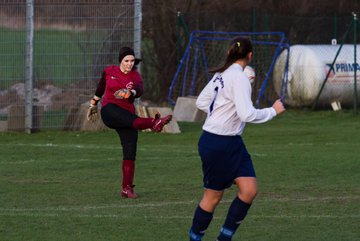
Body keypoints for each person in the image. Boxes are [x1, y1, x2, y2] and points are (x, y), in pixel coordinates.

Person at [188, 37, 285, 241]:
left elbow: (202, 102)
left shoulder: (223, 74)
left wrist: (219, 113)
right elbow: (247, 114)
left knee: (249, 190)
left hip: (232, 143)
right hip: (217, 142)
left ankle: (224, 238)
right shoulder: (238, 77)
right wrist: (273, 111)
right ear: (250, 55)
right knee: (213, 197)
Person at [87, 46, 172, 199]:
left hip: (127, 115)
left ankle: (127, 188)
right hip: (109, 111)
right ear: (121, 60)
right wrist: (93, 104)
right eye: (126, 60)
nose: (130, 63)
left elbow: (139, 89)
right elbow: (100, 87)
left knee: (130, 151)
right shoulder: (109, 71)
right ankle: (154, 122)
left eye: (132, 60)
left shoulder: (135, 76)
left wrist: (131, 92)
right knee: (130, 119)